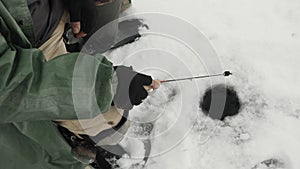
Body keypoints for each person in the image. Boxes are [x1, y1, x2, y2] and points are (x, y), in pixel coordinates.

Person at [0, 0, 159, 168]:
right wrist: (104, 84)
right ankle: (71, 148)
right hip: (23, 53)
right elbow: (8, 86)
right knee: (111, 122)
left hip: (50, 14)